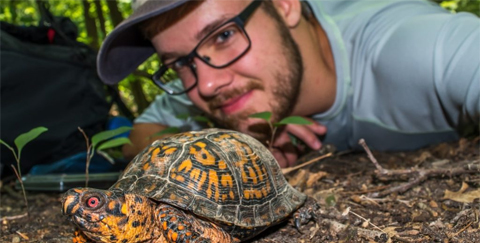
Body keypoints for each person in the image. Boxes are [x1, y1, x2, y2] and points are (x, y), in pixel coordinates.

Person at [97, 0, 479, 168]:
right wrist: (230, 149)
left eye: (224, 35)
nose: (208, 84)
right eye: (180, 63)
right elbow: (139, 137)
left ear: (284, 4)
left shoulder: (410, 47)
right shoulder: (206, 88)